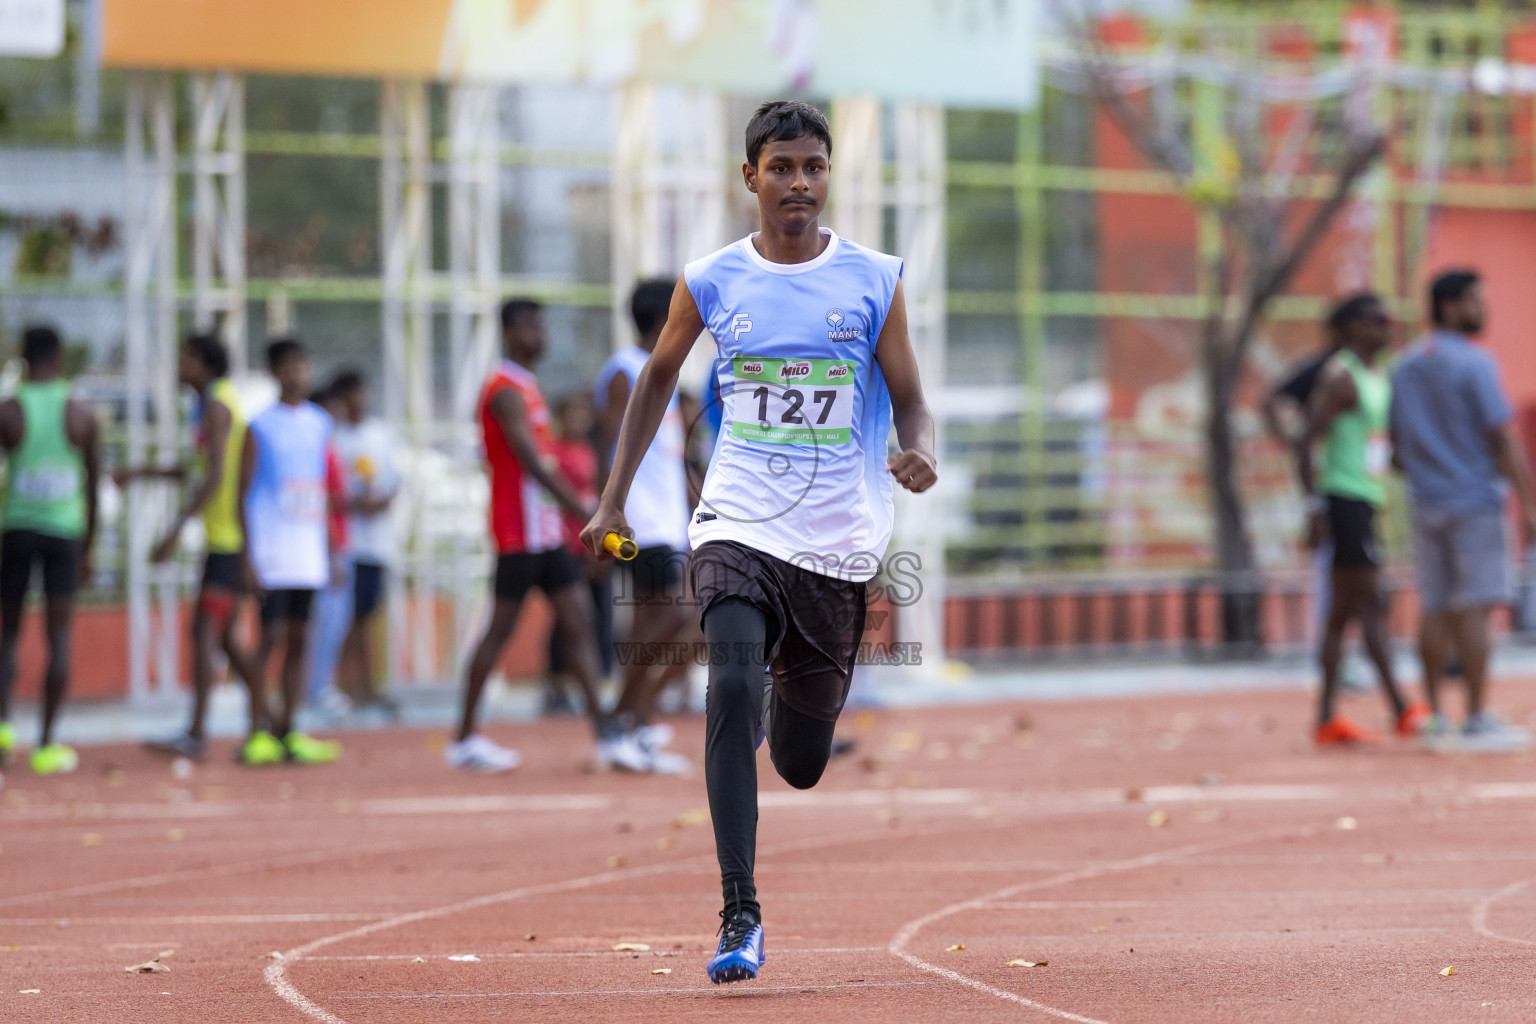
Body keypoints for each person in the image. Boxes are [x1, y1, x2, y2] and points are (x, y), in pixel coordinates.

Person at [582, 100, 937, 984]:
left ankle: (794, 695)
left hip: (837, 539)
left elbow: (911, 394)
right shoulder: (711, 279)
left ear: (828, 176)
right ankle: (739, 910)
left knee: (802, 764)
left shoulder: (874, 277)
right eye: (780, 168)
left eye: (813, 168)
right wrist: (613, 500)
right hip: (737, 520)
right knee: (729, 680)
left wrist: (918, 446)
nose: (798, 185)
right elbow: (658, 381)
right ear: (751, 177)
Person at [447, 298, 616, 773]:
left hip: (542, 534)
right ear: (508, 333)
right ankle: (463, 738)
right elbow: (527, 460)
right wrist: (585, 509)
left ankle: (605, 730)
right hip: (517, 532)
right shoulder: (503, 389)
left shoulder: (528, 386)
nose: (539, 335)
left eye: (541, 326)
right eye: (529, 327)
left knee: (579, 619)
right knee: (499, 632)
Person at [1391, 269, 1536, 752]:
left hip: (1424, 501)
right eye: (1476, 301)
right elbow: (1502, 435)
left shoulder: (1405, 365)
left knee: (1434, 607)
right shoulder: (1476, 364)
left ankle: (1435, 714)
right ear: (1450, 306)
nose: (1484, 310)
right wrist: (1529, 502)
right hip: (1473, 502)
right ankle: (1475, 716)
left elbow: (1394, 446)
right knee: (1475, 608)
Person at [116, 333, 259, 760]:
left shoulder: (217, 405)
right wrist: (140, 472)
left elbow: (215, 475)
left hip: (227, 543)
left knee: (204, 633)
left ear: (205, 364)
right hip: (223, 541)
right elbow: (194, 468)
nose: (180, 365)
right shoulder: (211, 403)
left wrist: (175, 530)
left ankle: (198, 733)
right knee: (226, 640)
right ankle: (268, 722)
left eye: (186, 358)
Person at [1296, 294, 1428, 745]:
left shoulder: (1379, 375)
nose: (1387, 328)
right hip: (1344, 501)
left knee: (1342, 613)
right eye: (1377, 321)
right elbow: (1307, 441)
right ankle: (1399, 706)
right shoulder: (1342, 377)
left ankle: (1326, 716)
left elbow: (1382, 446)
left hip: (1364, 499)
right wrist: (1314, 509)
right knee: (1369, 605)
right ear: (1352, 327)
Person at [594, 280, 696, 772]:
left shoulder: (662, 370)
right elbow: (608, 446)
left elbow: (671, 457)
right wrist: (609, 511)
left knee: (665, 622)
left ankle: (633, 722)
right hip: (642, 521)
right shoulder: (623, 371)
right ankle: (622, 722)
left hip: (668, 519)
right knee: (675, 617)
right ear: (662, 320)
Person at [236, 338, 342, 766]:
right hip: (272, 552)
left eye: (304, 365)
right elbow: (242, 495)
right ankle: (257, 729)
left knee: (301, 639)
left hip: (308, 552)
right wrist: (247, 557)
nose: (298, 374)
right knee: (270, 639)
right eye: (289, 367)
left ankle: (291, 728)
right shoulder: (259, 426)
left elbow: (323, 491)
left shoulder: (320, 423)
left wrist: (332, 548)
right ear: (275, 372)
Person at [0, 326, 99, 775]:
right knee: (58, 637)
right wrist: (90, 548)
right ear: (59, 358)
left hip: (17, 529)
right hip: (64, 533)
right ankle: (48, 742)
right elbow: (94, 485)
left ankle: (4, 730)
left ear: (22, 357)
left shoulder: (9, 411)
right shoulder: (80, 413)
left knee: (8, 634)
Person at [330, 370, 401, 717]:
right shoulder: (336, 438)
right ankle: (349, 686)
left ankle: (369, 685)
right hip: (349, 543)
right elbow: (332, 492)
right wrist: (356, 505)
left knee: (369, 616)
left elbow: (394, 482)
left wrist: (381, 501)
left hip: (377, 543)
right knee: (348, 618)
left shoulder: (381, 434)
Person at [544, 394, 614, 717]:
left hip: (591, 544)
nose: (578, 420)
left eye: (582, 413)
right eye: (571, 413)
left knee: (594, 615)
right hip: (566, 542)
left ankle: (592, 684)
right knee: (567, 619)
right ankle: (556, 684)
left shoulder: (590, 451)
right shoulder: (554, 452)